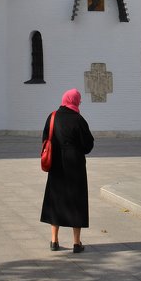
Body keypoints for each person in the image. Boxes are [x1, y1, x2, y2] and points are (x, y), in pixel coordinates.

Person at [40, 88, 95, 253]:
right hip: (75, 165)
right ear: (75, 101)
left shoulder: (53, 117)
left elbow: (45, 138)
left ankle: (54, 241)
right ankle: (77, 243)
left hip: (56, 164)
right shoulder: (78, 120)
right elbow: (88, 145)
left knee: (56, 199)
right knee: (76, 201)